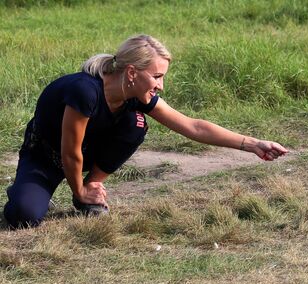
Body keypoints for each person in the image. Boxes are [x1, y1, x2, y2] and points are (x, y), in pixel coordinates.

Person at [3, 34, 288, 229]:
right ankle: (37, 191)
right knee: (22, 218)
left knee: (135, 124)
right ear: (131, 73)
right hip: (46, 157)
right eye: (157, 76)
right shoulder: (84, 91)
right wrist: (78, 193)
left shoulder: (136, 96)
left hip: (85, 156)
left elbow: (192, 125)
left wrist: (252, 144)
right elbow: (70, 152)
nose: (160, 85)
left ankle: (94, 184)